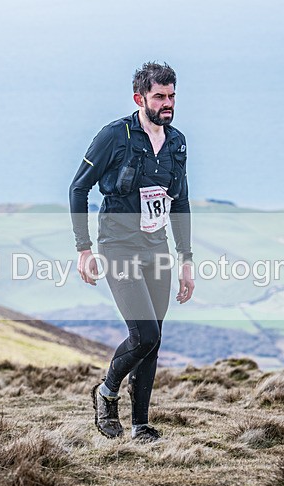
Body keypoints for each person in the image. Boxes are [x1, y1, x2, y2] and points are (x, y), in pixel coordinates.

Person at [68, 62, 194, 443]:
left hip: (156, 247)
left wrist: (186, 259)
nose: (167, 103)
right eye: (159, 96)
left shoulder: (177, 142)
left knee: (154, 339)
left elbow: (180, 202)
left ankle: (140, 426)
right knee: (144, 333)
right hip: (118, 246)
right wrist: (84, 248)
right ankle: (107, 392)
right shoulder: (115, 136)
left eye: (172, 96)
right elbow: (78, 188)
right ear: (140, 98)